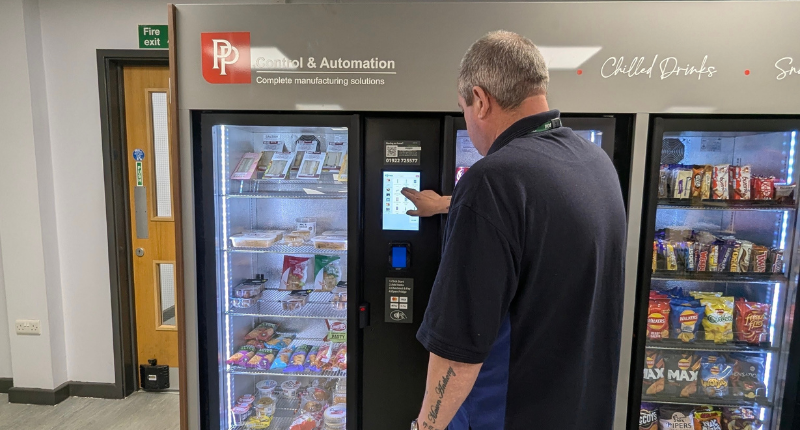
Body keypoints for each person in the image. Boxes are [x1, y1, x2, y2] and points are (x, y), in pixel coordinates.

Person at [403, 31, 626, 430]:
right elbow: (538, 214)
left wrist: (425, 427)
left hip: (505, 415)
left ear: (482, 99)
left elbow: (457, 353)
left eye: (463, 108)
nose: (467, 120)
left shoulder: (491, 181)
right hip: (580, 411)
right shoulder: (596, 164)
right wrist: (447, 204)